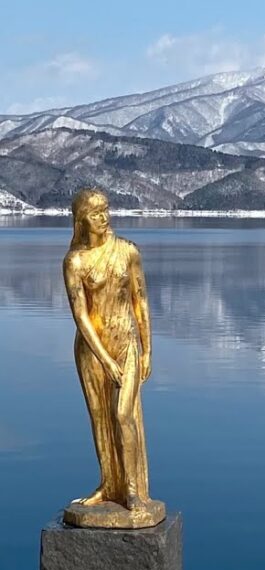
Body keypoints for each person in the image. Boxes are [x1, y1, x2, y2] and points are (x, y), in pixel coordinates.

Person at [62, 188, 164, 527]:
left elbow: (142, 303)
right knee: (100, 419)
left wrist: (148, 349)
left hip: (127, 343)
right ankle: (109, 485)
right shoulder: (75, 261)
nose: (104, 218)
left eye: (106, 210)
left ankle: (133, 491)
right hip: (92, 351)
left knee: (122, 415)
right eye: (95, 213)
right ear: (81, 220)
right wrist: (104, 359)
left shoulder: (127, 252)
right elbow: (81, 316)